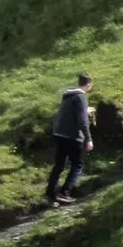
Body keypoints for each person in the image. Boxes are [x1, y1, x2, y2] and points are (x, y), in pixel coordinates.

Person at [46, 73, 93, 206]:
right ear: (89, 85)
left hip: (59, 134)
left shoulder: (68, 95)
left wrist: (85, 110)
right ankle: (64, 193)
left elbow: (71, 112)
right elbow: (82, 121)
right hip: (72, 136)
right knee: (77, 165)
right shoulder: (81, 97)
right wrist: (88, 139)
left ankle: (50, 195)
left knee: (59, 165)